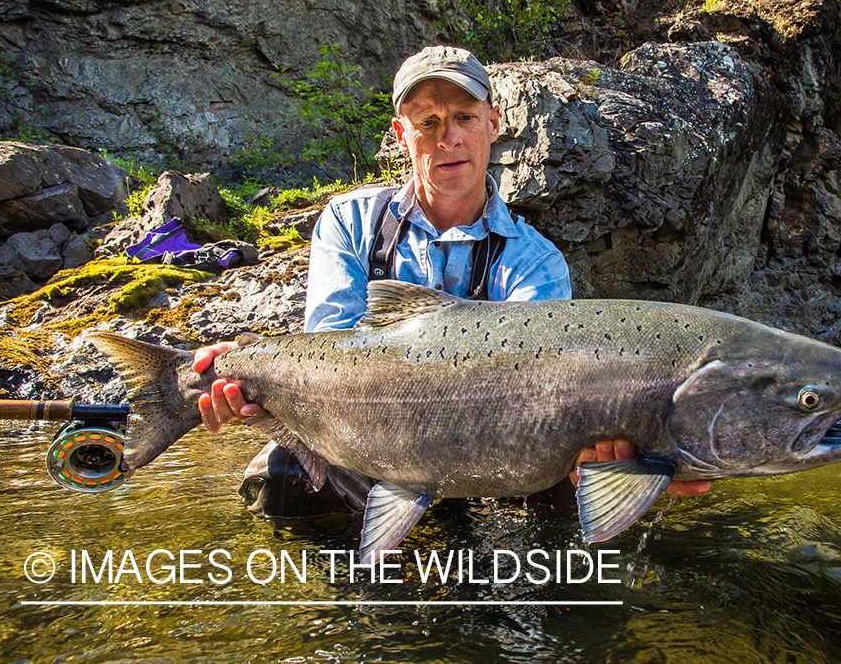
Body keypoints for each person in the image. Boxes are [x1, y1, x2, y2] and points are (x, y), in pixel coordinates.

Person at [194, 45, 711, 516]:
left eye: (464, 117)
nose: (450, 138)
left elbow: (546, 393)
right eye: (429, 122)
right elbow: (327, 351)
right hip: (364, 434)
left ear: (493, 123)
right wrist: (245, 372)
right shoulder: (349, 222)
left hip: (493, 452)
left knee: (558, 492)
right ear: (402, 135)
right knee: (280, 478)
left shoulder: (536, 261)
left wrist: (617, 463)